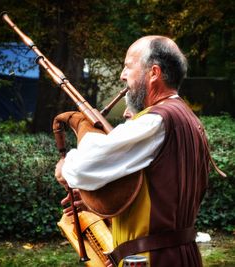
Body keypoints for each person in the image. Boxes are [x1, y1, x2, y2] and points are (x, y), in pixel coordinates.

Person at [55, 35, 210, 267]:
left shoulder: (155, 121)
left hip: (150, 260)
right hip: (181, 256)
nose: (122, 75)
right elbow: (163, 196)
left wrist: (65, 166)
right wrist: (100, 203)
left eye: (128, 67)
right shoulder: (189, 119)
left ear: (154, 73)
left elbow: (83, 167)